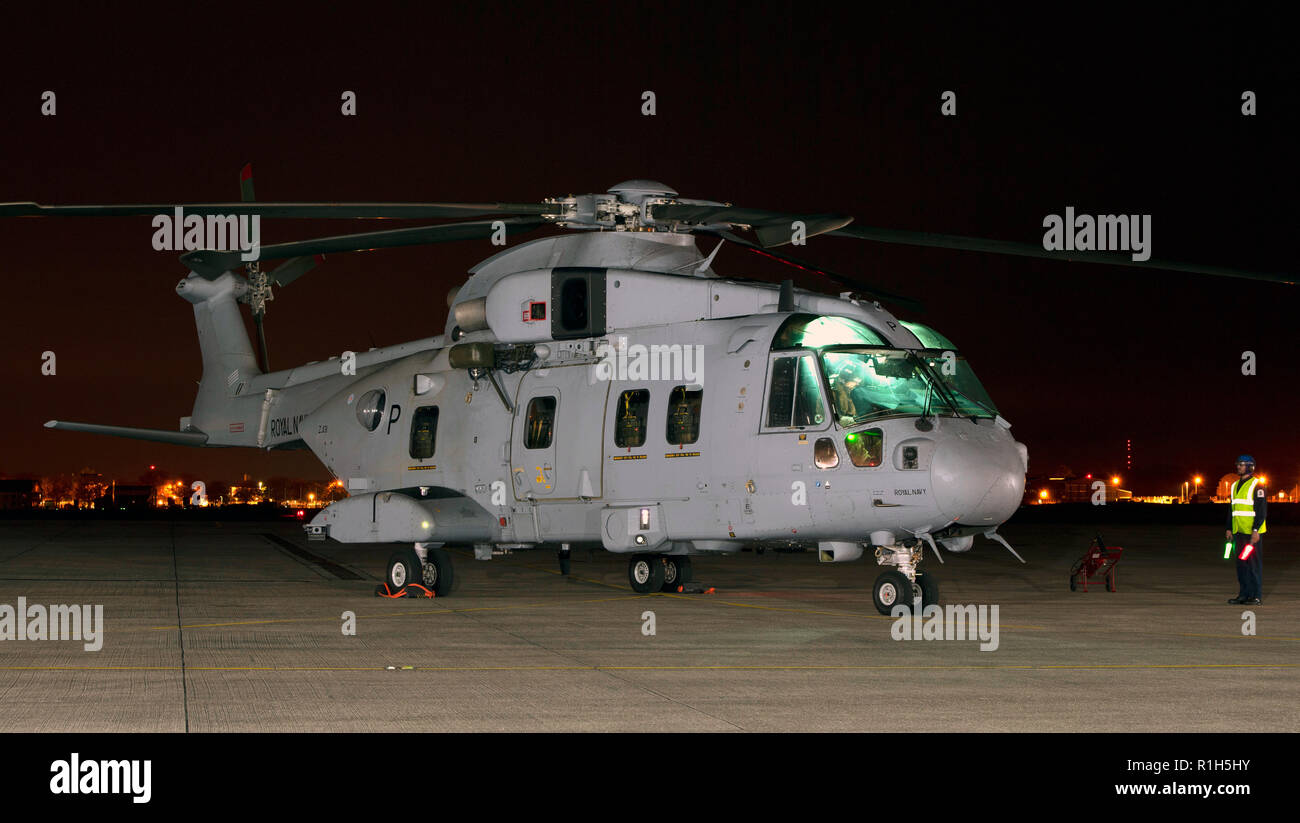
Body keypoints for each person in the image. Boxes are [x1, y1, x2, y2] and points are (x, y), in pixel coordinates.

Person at [1226, 455, 1266, 605]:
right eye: (1238, 464)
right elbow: (1232, 508)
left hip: (1252, 534)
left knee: (1253, 564)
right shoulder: (1234, 485)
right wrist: (1229, 528)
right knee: (1241, 564)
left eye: (1242, 465)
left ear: (1250, 467)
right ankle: (1244, 594)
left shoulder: (1258, 485)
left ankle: (1256, 596)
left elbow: (1261, 510)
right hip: (1239, 532)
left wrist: (1256, 530)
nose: (1238, 467)